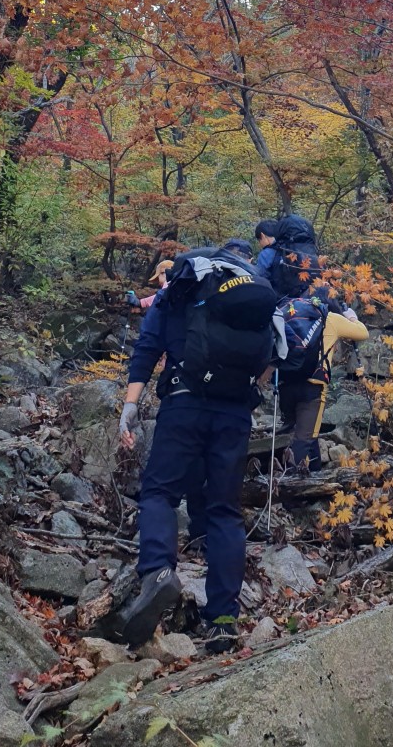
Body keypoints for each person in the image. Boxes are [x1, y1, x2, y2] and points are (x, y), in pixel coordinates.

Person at [114, 247, 277, 653]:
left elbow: (147, 349)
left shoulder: (179, 293)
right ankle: (222, 619)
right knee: (223, 510)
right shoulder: (251, 298)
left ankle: (156, 573)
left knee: (159, 493)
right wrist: (243, 387)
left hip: (183, 405)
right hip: (234, 415)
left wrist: (130, 407)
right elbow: (276, 356)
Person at [278, 297, 368, 471]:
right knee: (304, 438)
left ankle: (315, 472)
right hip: (313, 385)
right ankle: (292, 490)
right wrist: (351, 317)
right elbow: (362, 332)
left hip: (286, 382)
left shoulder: (291, 314)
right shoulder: (331, 318)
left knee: (308, 432)